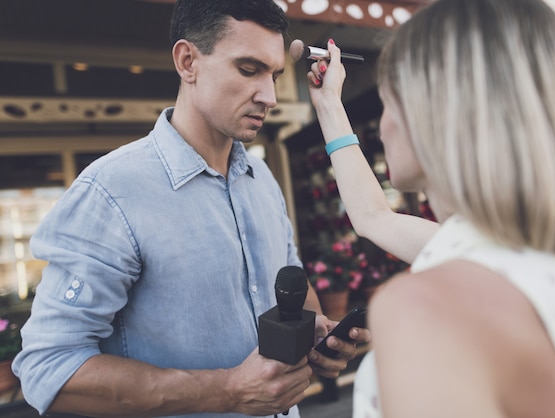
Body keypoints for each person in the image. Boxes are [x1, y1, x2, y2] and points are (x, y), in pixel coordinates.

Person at [12, 1, 370, 417]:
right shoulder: (111, 191)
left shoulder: (263, 179)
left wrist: (316, 330)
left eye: (274, 75)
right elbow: (48, 367)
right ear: (187, 62)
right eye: (248, 69)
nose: (269, 97)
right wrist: (228, 391)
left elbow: (289, 279)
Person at [306, 0, 555, 417]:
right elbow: (373, 218)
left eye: (387, 102)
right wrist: (330, 106)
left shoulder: (425, 307)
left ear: (428, 115)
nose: (383, 126)